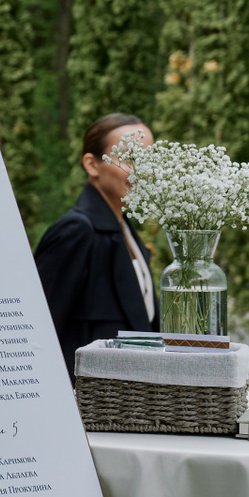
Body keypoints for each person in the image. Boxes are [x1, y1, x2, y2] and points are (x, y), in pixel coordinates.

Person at [35, 113, 160, 382]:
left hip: (130, 395)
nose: (142, 171)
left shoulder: (125, 228)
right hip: (86, 398)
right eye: (130, 158)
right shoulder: (76, 232)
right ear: (92, 165)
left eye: (149, 159)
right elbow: (40, 329)